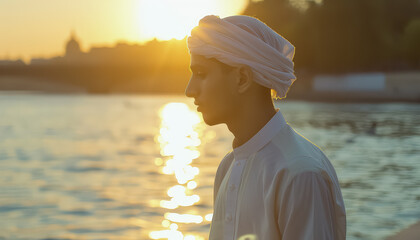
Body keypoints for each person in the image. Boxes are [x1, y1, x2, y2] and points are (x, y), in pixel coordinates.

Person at [185, 15, 346, 240]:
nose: (189, 90)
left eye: (201, 74)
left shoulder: (300, 174)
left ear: (242, 78)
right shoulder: (227, 167)